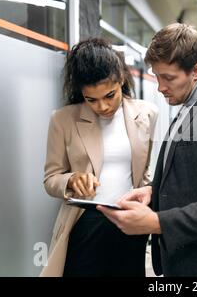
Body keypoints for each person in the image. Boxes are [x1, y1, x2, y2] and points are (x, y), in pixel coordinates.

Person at [97, 23, 197, 277]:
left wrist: (156, 222)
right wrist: (154, 191)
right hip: (186, 260)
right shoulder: (191, 105)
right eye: (157, 76)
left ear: (195, 71)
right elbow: (192, 172)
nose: (160, 87)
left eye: (168, 78)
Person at [40, 38, 158, 277]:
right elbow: (51, 179)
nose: (102, 106)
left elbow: (143, 173)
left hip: (129, 222)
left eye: (110, 95)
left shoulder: (146, 113)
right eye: (91, 99)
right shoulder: (63, 119)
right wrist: (71, 180)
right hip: (85, 224)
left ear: (121, 79)